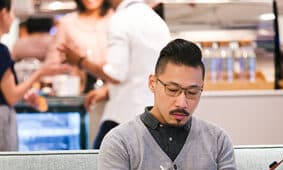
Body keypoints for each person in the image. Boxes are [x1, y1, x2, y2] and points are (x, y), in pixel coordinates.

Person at [98, 39, 251, 170]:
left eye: (192, 92)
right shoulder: (119, 141)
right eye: (172, 90)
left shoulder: (217, 139)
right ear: (152, 83)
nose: (182, 103)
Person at [59, 0, 170, 149]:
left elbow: (116, 74)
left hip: (123, 116)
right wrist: (106, 91)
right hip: (155, 115)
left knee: (96, 166)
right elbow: (141, 70)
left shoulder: (120, 20)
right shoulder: (157, 21)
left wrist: (80, 61)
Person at [0, 0, 68, 151]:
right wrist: (40, 73)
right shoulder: (2, 51)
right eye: (12, 12)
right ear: (4, 13)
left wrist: (24, 94)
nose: (13, 18)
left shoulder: (15, 46)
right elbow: (10, 96)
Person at [46, 0, 112, 93]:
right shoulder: (67, 22)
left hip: (112, 87)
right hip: (80, 89)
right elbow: (54, 58)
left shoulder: (116, 18)